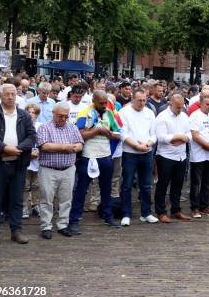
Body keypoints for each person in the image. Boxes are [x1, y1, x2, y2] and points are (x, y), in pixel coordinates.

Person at [0, 84, 36, 249]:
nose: (11, 97)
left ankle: (16, 231)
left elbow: (32, 135)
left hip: (18, 163)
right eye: (7, 94)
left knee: (16, 199)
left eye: (13, 94)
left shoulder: (24, 115)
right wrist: (5, 148)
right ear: (0, 96)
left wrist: (18, 149)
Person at [69, 90, 122, 234]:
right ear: (94, 100)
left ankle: (107, 215)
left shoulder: (110, 113)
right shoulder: (85, 113)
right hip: (88, 156)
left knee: (106, 188)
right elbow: (78, 133)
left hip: (105, 156)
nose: (104, 105)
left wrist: (111, 134)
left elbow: (119, 133)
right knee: (81, 189)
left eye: (106, 103)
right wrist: (97, 131)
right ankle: (74, 219)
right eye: (101, 103)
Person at [36, 102, 84, 239]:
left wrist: (76, 147)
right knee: (47, 199)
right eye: (60, 116)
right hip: (48, 169)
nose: (63, 119)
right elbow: (45, 146)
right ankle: (46, 226)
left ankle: (63, 224)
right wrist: (66, 148)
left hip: (68, 169)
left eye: (65, 116)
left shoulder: (72, 127)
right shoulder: (44, 127)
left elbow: (80, 143)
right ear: (53, 114)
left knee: (66, 199)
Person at [119, 89, 158, 226]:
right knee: (127, 185)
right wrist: (136, 146)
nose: (142, 103)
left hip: (146, 152)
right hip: (130, 153)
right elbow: (123, 134)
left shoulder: (149, 112)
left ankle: (146, 213)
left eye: (144, 100)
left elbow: (154, 134)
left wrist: (148, 143)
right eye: (139, 100)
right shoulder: (124, 112)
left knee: (146, 185)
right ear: (132, 99)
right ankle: (126, 213)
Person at [154, 92, 192, 223]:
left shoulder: (184, 116)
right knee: (162, 185)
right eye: (177, 107)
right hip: (166, 156)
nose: (180, 109)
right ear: (170, 103)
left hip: (181, 156)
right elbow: (160, 137)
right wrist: (176, 137)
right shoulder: (162, 117)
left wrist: (184, 139)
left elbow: (190, 133)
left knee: (178, 185)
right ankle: (161, 211)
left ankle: (176, 210)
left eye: (182, 106)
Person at [189, 93, 209, 218]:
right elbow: (195, 136)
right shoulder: (194, 116)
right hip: (198, 155)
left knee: (207, 182)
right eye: (207, 104)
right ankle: (195, 207)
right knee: (196, 182)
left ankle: (204, 205)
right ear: (201, 103)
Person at [22, 103, 41, 219]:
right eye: (28, 112)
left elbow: (43, 141)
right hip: (26, 159)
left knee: (37, 185)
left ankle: (36, 204)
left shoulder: (40, 126)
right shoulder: (22, 126)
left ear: (37, 115)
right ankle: (24, 206)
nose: (30, 115)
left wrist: (38, 151)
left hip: (38, 159)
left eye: (33, 113)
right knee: (25, 184)